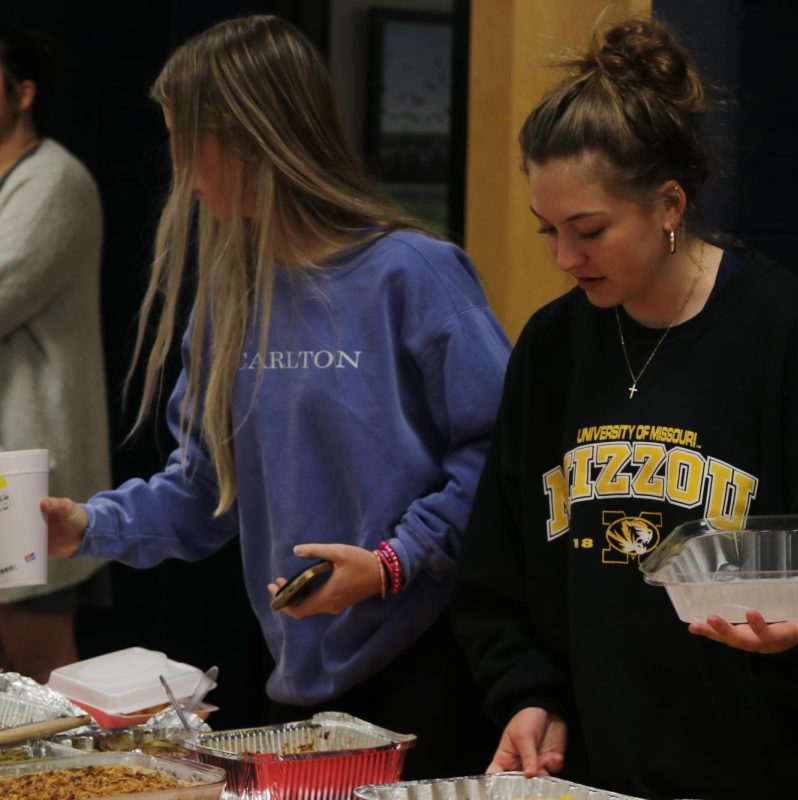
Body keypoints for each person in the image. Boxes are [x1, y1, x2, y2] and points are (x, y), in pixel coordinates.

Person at [450, 15, 798, 800]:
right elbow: (497, 571)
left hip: (771, 770)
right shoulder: (554, 346)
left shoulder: (785, 332)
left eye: (589, 230)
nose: (565, 258)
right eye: (548, 231)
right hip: (599, 773)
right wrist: (531, 692)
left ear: (669, 204)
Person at [41, 15, 508, 779]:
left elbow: (499, 452)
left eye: (187, 142)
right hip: (298, 682)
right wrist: (86, 526)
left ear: (251, 136)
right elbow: (201, 494)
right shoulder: (228, 299)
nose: (182, 170)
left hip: (432, 666)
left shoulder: (413, 273)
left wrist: (393, 563)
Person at [0, 24, 110, 684]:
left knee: (38, 662)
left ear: (23, 94)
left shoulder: (54, 180)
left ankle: (69, 787)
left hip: (25, 464)